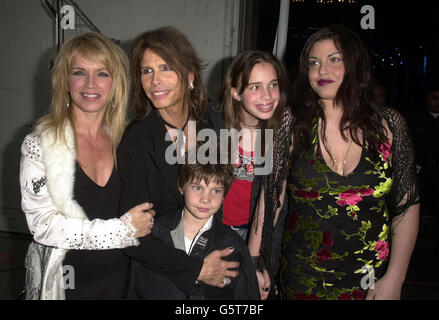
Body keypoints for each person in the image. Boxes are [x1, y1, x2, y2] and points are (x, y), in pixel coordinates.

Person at [250, 25, 420, 300]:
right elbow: (270, 199)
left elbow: (406, 204)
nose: (321, 71)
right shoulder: (291, 124)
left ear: (355, 64)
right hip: (303, 278)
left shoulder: (389, 125)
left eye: (334, 59)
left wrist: (396, 278)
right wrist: (254, 264)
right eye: (313, 63)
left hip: (372, 280)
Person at [19, 32, 155, 300]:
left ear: (115, 82)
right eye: (79, 72)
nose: (90, 84)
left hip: (123, 282)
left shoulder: (128, 140)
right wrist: (122, 231)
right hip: (65, 286)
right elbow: (43, 225)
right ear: (65, 81)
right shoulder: (40, 144)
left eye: (102, 73)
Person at [117, 26, 239, 295]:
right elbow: (131, 235)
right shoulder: (136, 140)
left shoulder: (214, 123)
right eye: (147, 71)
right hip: (162, 275)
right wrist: (195, 269)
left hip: (215, 260)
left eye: (166, 68)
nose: (155, 80)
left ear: (190, 75)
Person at [207, 50, 291, 299]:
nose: (267, 96)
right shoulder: (211, 125)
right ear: (235, 91)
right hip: (215, 233)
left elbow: (273, 201)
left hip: (261, 236)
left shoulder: (282, 133)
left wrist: (253, 261)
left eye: (273, 85)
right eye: (255, 87)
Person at [126, 147, 260, 299]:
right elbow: (134, 288)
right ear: (181, 186)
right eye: (197, 188)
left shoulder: (231, 245)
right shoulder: (153, 234)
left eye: (215, 191)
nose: (205, 199)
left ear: (225, 194)